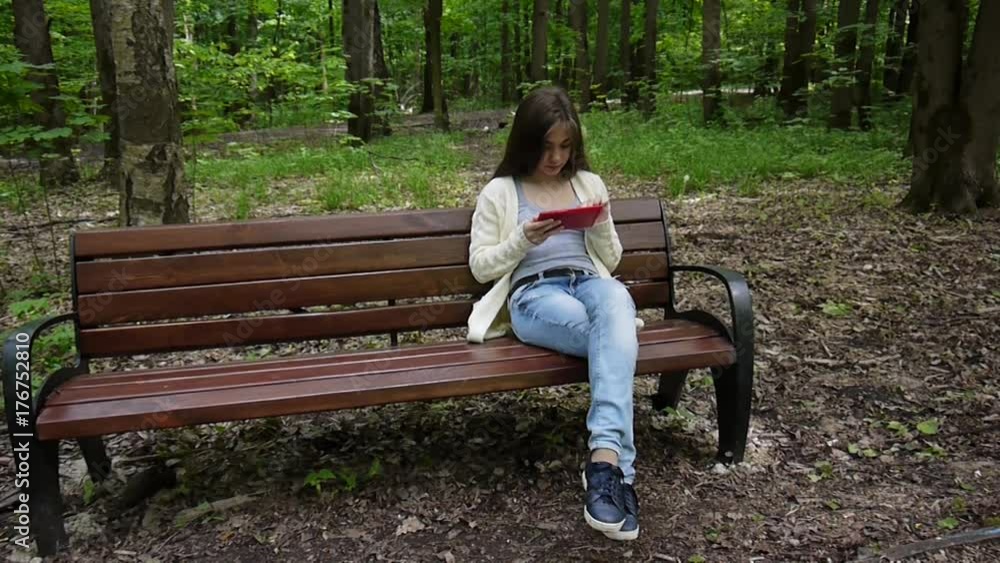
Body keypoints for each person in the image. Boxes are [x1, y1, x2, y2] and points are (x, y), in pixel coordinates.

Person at [466, 86, 645, 541]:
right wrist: (523, 239)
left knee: (614, 297)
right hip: (535, 295)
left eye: (566, 146)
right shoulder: (500, 192)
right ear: (526, 141)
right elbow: (481, 266)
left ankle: (605, 463)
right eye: (547, 146)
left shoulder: (588, 184)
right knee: (616, 336)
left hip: (589, 283)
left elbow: (612, 260)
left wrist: (599, 222)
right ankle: (616, 471)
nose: (556, 158)